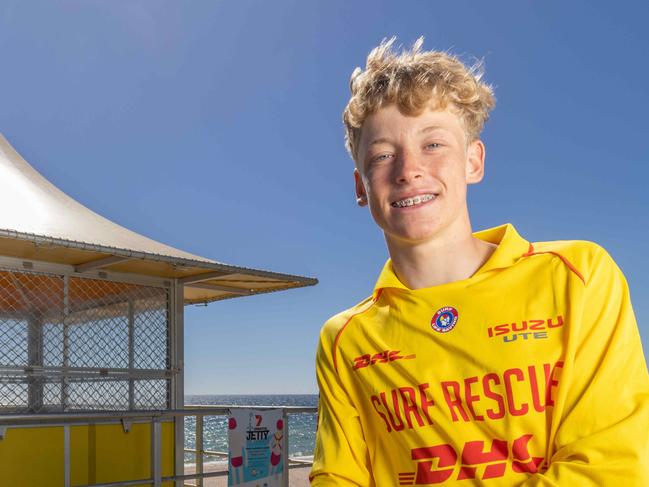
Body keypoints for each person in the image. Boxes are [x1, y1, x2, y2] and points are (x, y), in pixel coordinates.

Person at [309, 37, 649, 486]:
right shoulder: (344, 340)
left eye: (433, 145)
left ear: (473, 161)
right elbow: (338, 478)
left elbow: (611, 468)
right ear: (361, 186)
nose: (408, 169)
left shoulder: (578, 277)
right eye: (383, 155)